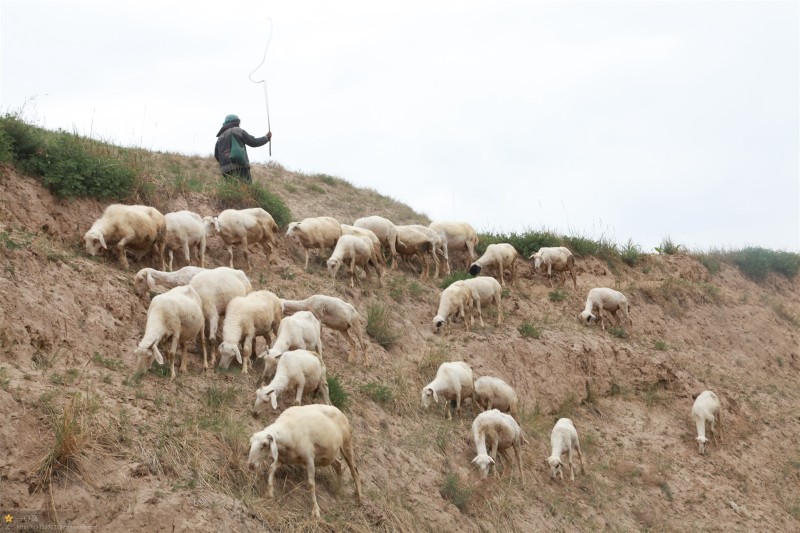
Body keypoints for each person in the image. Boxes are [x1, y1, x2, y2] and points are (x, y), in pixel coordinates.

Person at [214, 114, 271, 184]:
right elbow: (254, 142)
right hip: (240, 167)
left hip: (225, 170)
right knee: (246, 189)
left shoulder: (220, 138)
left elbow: (216, 155)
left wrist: (225, 163)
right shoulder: (238, 131)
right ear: (236, 122)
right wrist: (266, 138)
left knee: (232, 191)